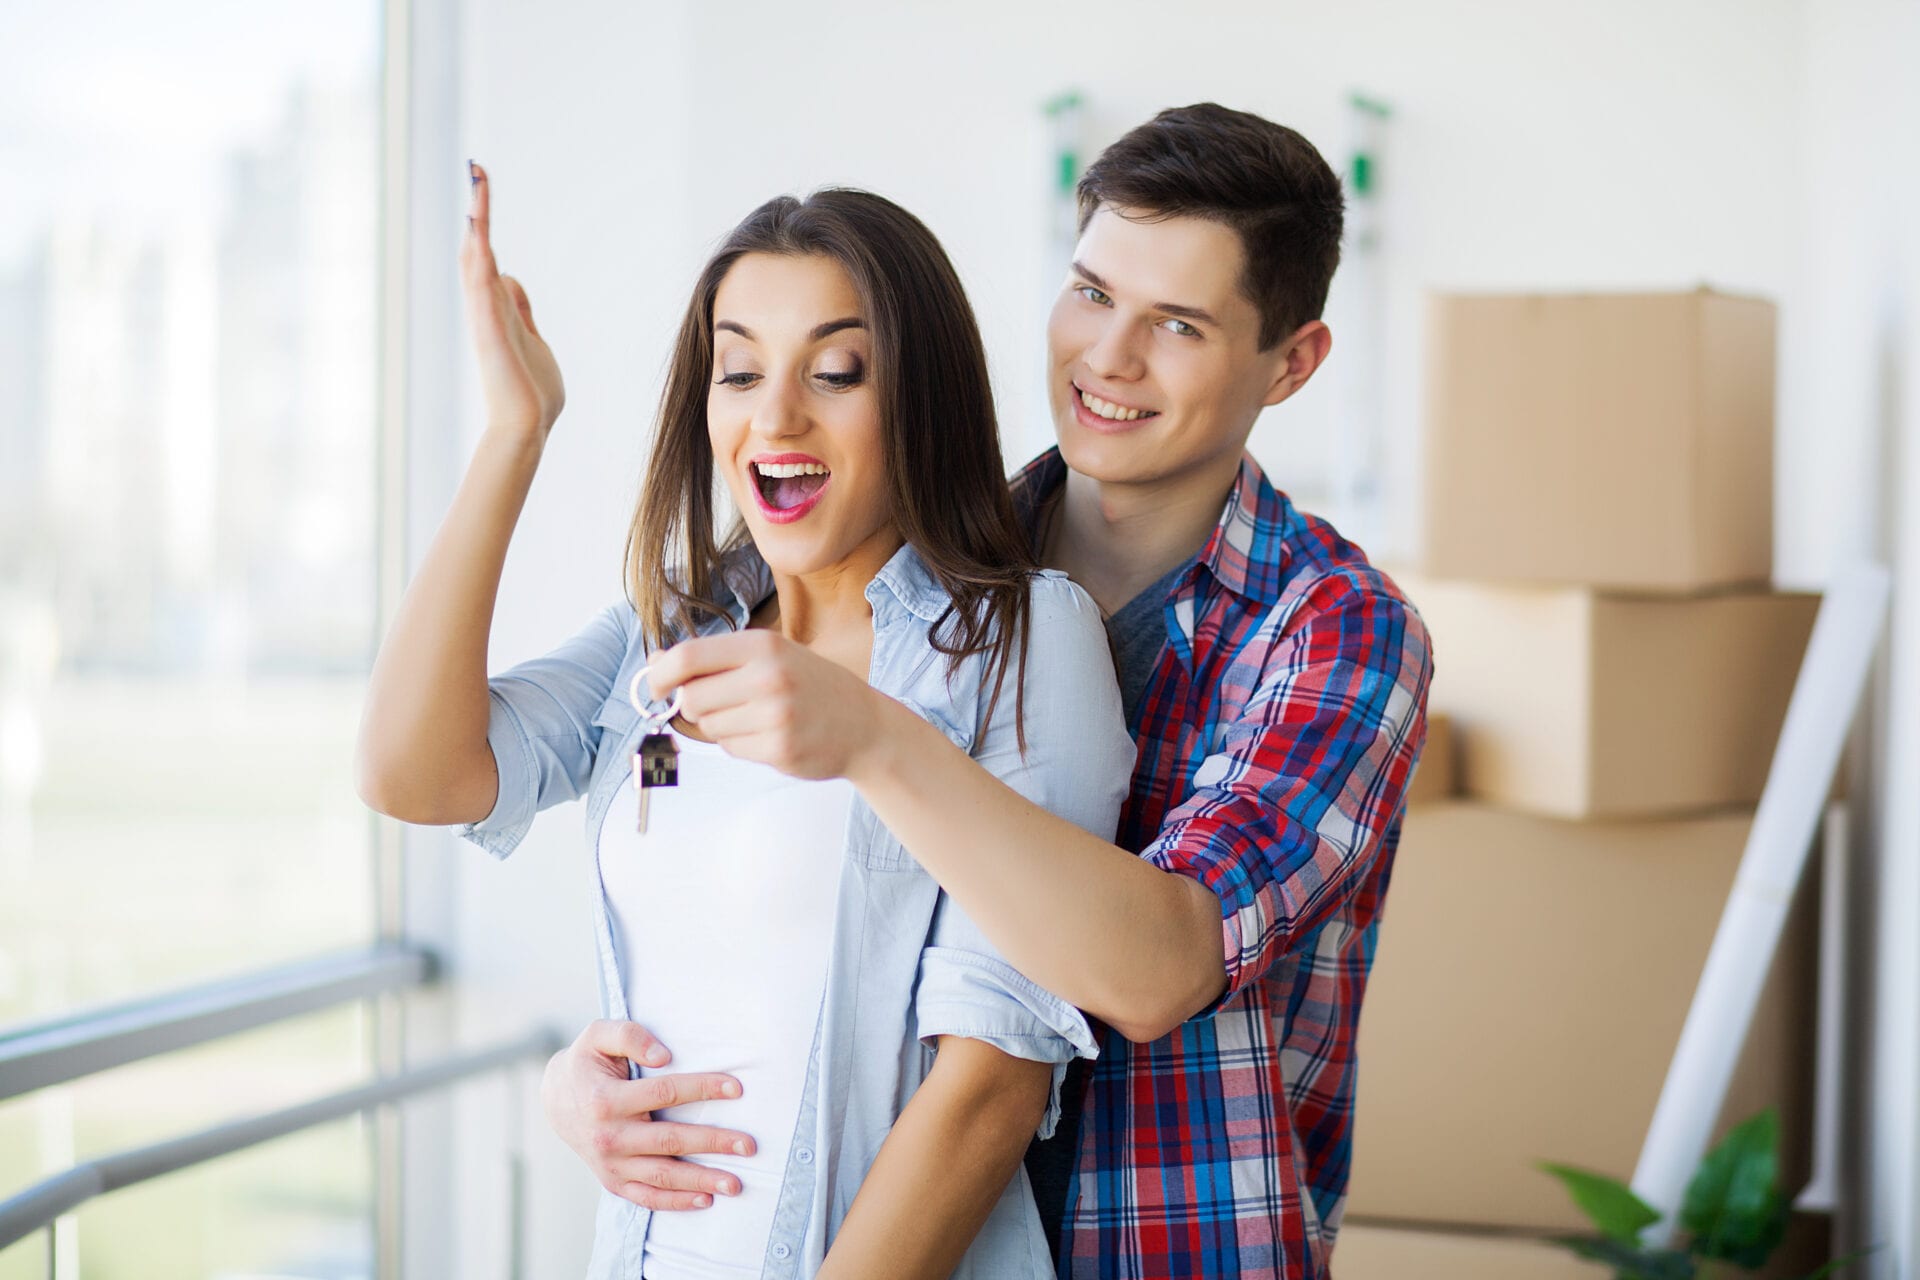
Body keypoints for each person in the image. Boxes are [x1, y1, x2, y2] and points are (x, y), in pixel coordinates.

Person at [544, 103, 1437, 1279]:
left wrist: (877, 737)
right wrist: (579, 1077)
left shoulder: (1338, 632)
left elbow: (1158, 967)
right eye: (1092, 293)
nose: (1108, 357)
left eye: (1177, 323)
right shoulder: (911, 561)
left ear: (1295, 360)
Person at [354, 171, 1134, 1278]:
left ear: (919, 397)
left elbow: (988, 1087)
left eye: (835, 371)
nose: (777, 416)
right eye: (740, 370)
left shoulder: (1016, 642)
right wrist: (515, 432)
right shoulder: (667, 629)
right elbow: (411, 772)